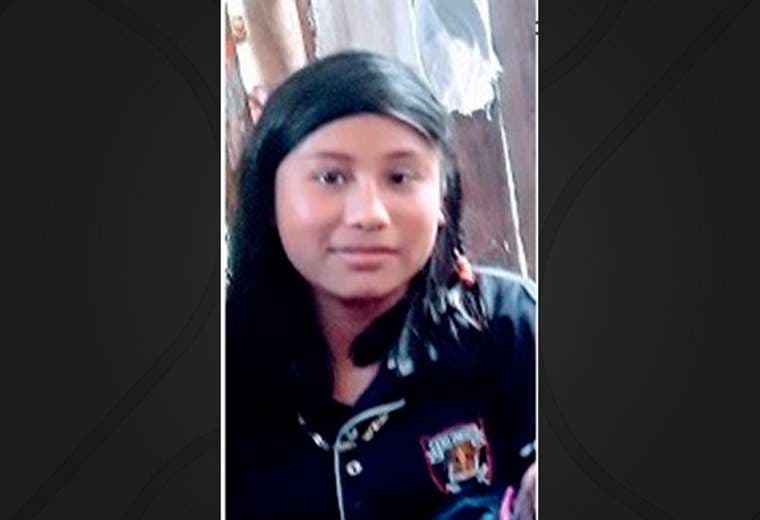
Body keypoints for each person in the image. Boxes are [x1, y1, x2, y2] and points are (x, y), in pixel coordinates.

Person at [226, 50, 536, 519]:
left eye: (400, 177)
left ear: (442, 196)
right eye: (331, 177)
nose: (369, 214)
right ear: (269, 198)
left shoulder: (508, 324)